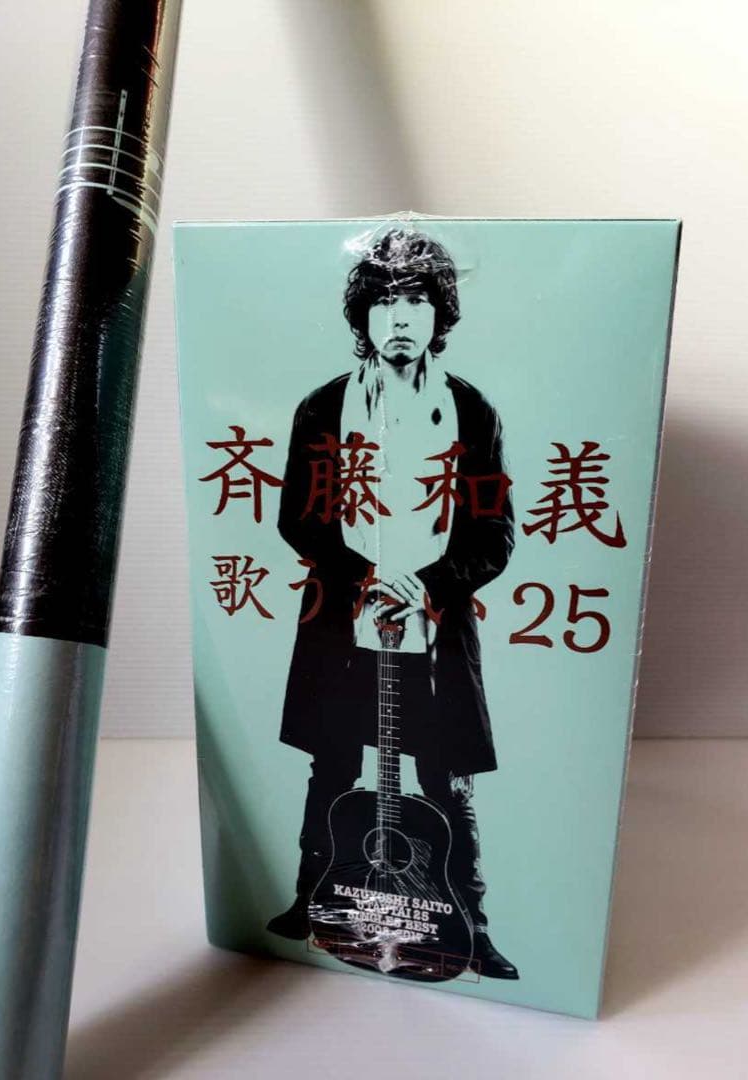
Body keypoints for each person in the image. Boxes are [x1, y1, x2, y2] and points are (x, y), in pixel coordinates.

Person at [268, 228, 518, 979]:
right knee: (332, 767)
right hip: (344, 619)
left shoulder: (472, 410)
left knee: (447, 781)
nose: (400, 317)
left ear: (439, 314)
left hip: (433, 627)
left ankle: (471, 927)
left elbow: (495, 533)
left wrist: (427, 585)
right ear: (363, 317)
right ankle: (310, 898)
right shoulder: (323, 407)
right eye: (383, 302)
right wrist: (366, 573)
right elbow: (298, 517)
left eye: (415, 300)